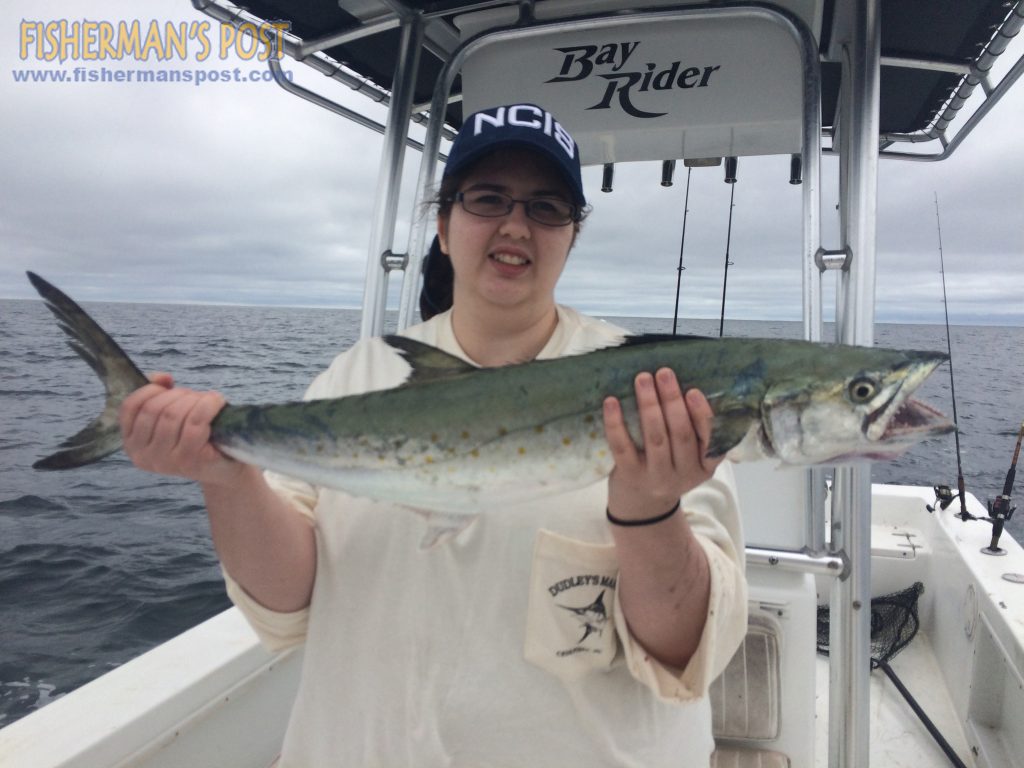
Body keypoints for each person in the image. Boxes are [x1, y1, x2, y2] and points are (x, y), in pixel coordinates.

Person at [118, 102, 747, 767]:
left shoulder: (658, 392)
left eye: (546, 207)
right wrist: (227, 475)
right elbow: (289, 600)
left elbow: (686, 649)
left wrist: (650, 512)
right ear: (443, 226)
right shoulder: (360, 374)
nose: (515, 224)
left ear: (571, 235)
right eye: (487, 199)